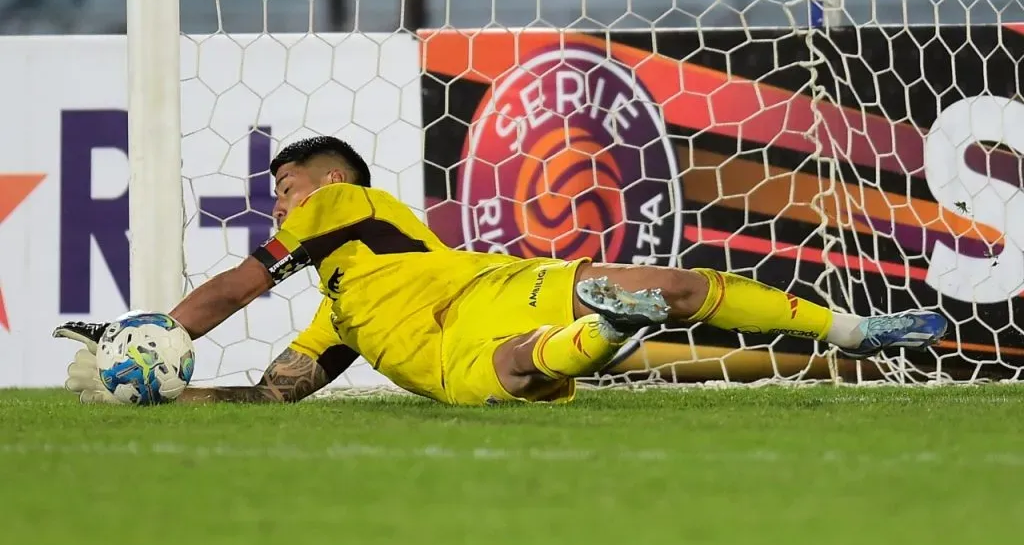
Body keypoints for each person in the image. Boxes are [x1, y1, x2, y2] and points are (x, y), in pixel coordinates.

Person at [54, 136, 948, 406]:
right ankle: (604, 328)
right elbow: (280, 390)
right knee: (528, 362)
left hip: (486, 283)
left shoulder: (343, 206)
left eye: (284, 189)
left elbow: (238, 287)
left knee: (665, 285)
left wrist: (156, 334)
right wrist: (172, 395)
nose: (279, 205)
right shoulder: (340, 311)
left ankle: (856, 329)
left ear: (328, 185)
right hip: (453, 353)